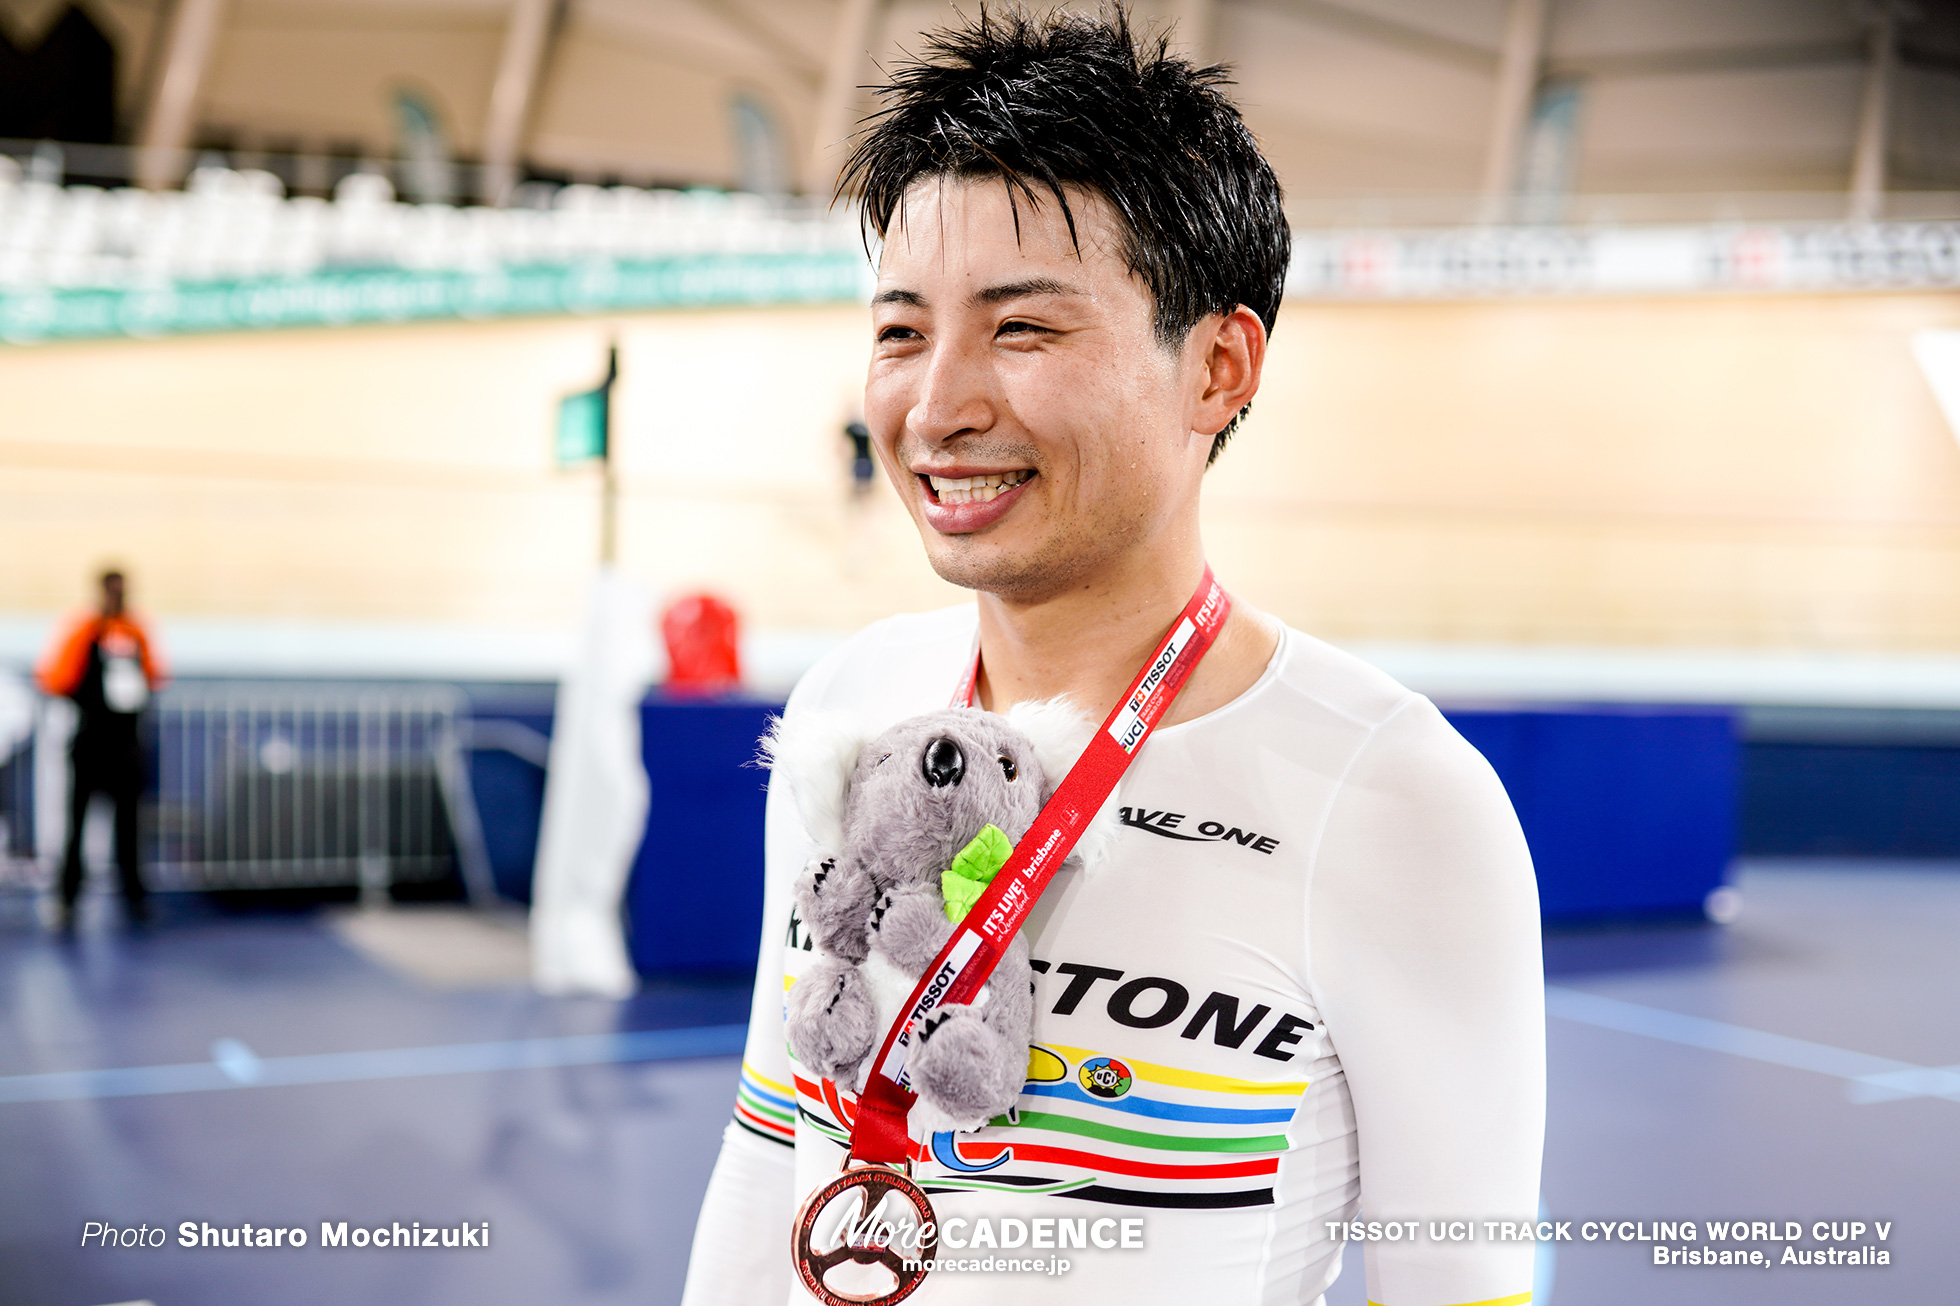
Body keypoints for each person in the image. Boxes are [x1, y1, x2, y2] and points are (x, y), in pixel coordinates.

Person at [683, 11, 1543, 1305]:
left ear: (1219, 366)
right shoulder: (848, 708)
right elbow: (768, 1172)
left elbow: (1459, 1288)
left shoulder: (1394, 800)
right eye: (902, 331)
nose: (938, 405)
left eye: (1021, 329)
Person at [35, 570, 167, 928]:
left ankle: (135, 900)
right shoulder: (83, 630)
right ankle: (67, 900)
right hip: (91, 745)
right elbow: (55, 677)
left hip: (126, 748)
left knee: (130, 828)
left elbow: (156, 675)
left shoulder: (137, 630)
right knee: (75, 826)